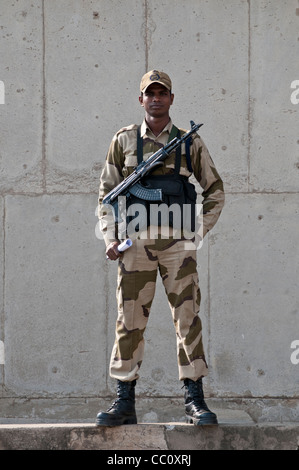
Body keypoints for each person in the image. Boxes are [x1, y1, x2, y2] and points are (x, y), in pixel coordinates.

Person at [96, 70, 225, 426]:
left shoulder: (187, 142)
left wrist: (197, 232)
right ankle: (124, 401)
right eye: (149, 93)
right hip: (133, 244)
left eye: (162, 93)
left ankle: (194, 399)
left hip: (177, 247)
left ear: (171, 98)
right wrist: (110, 237)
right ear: (141, 99)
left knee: (187, 320)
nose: (156, 98)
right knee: (130, 320)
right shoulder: (122, 141)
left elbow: (215, 189)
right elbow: (106, 195)